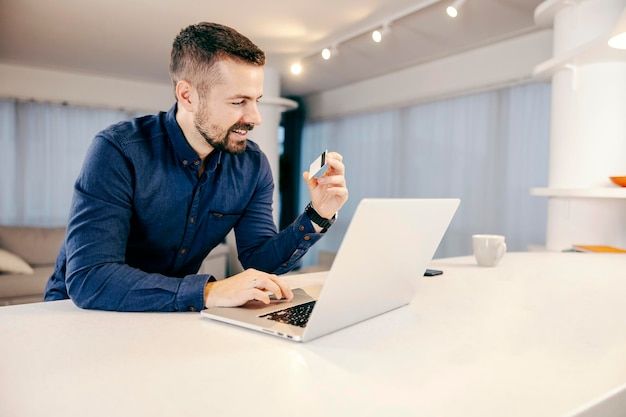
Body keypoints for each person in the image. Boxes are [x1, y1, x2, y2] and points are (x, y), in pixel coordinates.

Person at [44, 22, 348, 312]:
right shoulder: (117, 150)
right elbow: (91, 277)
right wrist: (209, 292)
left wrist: (317, 215)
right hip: (80, 312)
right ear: (188, 96)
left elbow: (260, 260)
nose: (256, 118)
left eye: (256, 100)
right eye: (238, 102)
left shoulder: (252, 167)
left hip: (174, 311)